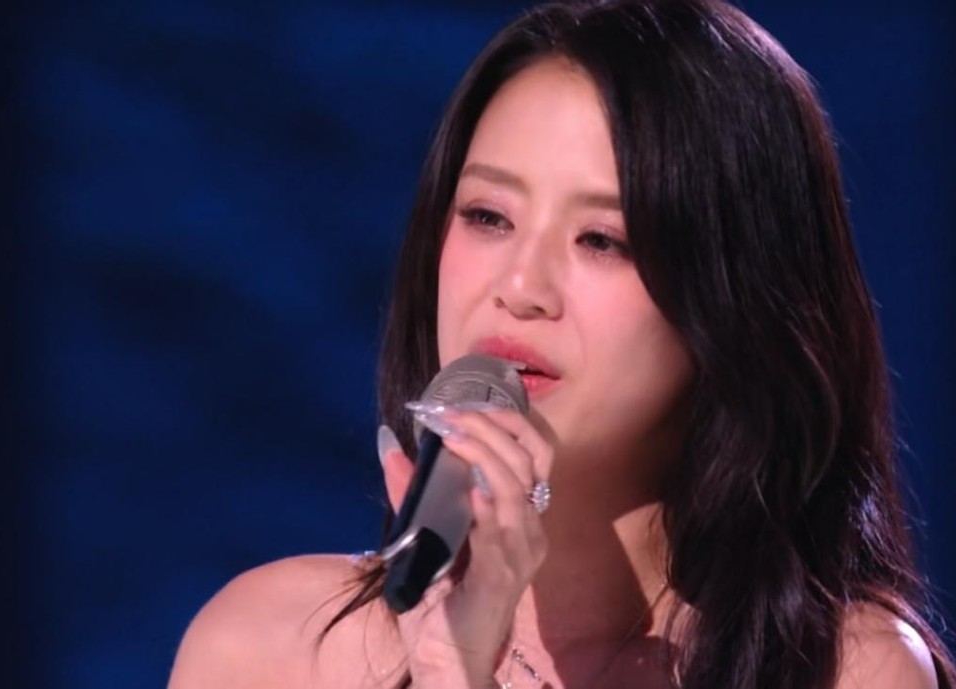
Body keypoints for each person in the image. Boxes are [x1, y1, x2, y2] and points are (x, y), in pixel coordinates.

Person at [168, 0, 954, 687]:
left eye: (602, 239)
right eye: (488, 217)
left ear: (735, 295)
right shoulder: (265, 649)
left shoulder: (843, 669)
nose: (520, 286)